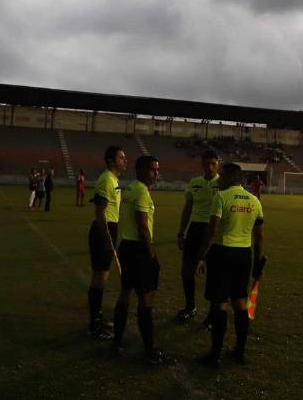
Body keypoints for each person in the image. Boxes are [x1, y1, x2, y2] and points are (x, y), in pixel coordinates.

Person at [196, 163, 265, 367]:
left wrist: (201, 257)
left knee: (220, 303)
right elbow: (259, 236)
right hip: (244, 254)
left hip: (222, 252)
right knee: (240, 302)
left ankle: (215, 355)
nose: (219, 179)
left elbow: (212, 231)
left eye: (222, 176)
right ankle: (239, 352)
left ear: (230, 177)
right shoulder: (254, 201)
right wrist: (257, 263)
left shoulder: (221, 197)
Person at [112, 155, 173, 365]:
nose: (156, 173)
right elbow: (143, 227)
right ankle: (149, 349)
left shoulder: (130, 188)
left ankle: (117, 341)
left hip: (126, 246)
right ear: (140, 171)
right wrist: (151, 254)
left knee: (125, 292)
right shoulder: (142, 192)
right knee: (146, 298)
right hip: (139, 249)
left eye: (157, 169)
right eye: (152, 170)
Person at [175, 149, 220, 325]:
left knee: (214, 273)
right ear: (202, 164)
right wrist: (181, 232)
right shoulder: (195, 183)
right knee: (187, 270)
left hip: (213, 230)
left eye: (213, 164)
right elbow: (187, 208)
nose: (210, 167)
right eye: (207, 164)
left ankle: (212, 314)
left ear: (218, 165)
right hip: (195, 229)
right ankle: (190, 307)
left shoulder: (223, 184)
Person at [87, 146, 127, 340]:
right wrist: (108, 239)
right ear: (111, 161)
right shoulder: (106, 180)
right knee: (99, 278)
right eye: (121, 158)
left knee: (101, 277)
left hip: (110, 229)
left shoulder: (113, 179)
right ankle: (94, 324)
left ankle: (98, 317)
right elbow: (99, 213)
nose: (125, 161)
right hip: (103, 230)